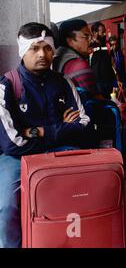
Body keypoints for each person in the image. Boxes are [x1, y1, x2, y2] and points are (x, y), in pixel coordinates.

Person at [0, 22, 92, 248]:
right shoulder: (8, 86)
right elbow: (12, 143)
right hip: (17, 158)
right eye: (35, 48)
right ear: (23, 51)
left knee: (84, 190)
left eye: (48, 48)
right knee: (7, 203)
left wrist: (39, 131)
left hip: (60, 152)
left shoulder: (64, 83)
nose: (42, 54)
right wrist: (60, 130)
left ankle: (74, 240)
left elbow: (84, 125)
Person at [53, 19, 103, 100]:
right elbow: (96, 101)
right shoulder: (79, 65)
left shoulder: (57, 57)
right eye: (86, 36)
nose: (91, 40)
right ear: (70, 41)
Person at [89, 22, 116, 99]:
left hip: (108, 82)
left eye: (105, 32)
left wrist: (115, 81)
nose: (105, 34)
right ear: (95, 33)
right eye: (102, 32)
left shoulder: (107, 45)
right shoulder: (89, 47)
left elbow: (112, 64)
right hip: (96, 83)